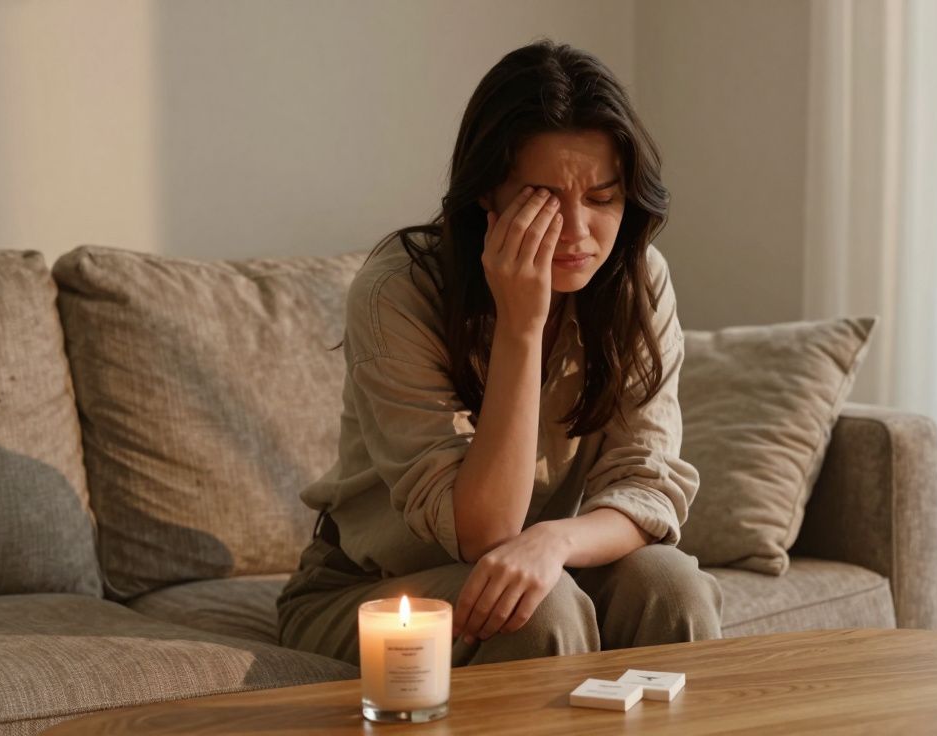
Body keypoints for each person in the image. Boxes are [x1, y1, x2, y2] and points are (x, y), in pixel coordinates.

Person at [276, 38, 723, 667]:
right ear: (487, 193)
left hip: (548, 568)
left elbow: (645, 488)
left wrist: (554, 541)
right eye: (544, 199)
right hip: (379, 590)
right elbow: (486, 534)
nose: (575, 230)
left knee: (670, 583)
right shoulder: (398, 291)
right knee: (536, 609)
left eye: (601, 197)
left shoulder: (637, 280)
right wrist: (522, 326)